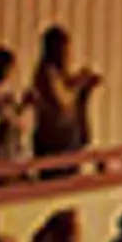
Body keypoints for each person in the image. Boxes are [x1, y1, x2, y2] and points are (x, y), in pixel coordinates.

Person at [26, 24, 100, 160]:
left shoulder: (62, 75)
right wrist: (80, 84)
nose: (68, 54)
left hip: (69, 139)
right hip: (54, 142)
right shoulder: (47, 73)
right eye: (64, 50)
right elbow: (62, 101)